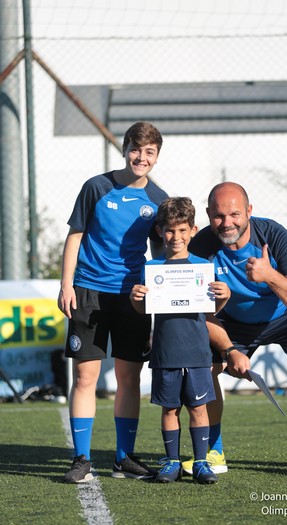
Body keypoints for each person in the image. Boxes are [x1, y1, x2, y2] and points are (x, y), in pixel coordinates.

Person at [182, 181, 287, 478]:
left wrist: (269, 275)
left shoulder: (274, 235)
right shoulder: (200, 246)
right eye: (219, 216)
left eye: (235, 214)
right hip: (233, 323)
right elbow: (199, 312)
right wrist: (229, 349)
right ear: (209, 214)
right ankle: (214, 451)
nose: (227, 223)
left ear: (249, 211)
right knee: (202, 367)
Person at [58, 121, 168, 483]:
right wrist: (67, 285)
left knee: (129, 378)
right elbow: (75, 236)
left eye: (149, 152)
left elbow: (161, 254)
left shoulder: (158, 199)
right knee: (85, 377)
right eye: (136, 149)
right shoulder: (97, 187)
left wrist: (157, 297)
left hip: (133, 297)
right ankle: (81, 458)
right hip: (88, 291)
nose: (141, 157)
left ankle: (124, 459)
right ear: (124, 149)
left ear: (157, 156)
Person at [130, 197, 231, 484]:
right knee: (170, 408)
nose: (177, 237)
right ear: (161, 231)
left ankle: (200, 463)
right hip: (165, 351)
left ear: (193, 230)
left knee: (199, 408)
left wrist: (224, 297)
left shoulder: (202, 266)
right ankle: (171, 462)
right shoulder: (152, 268)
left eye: (183, 230)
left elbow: (211, 310)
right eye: (170, 230)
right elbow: (143, 309)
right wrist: (136, 299)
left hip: (198, 351)